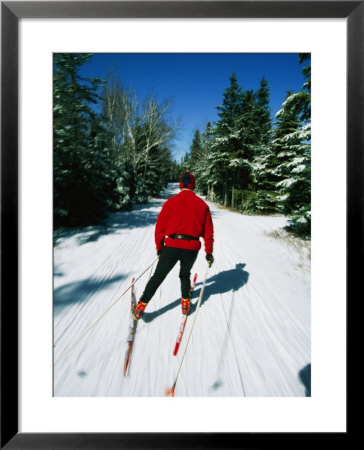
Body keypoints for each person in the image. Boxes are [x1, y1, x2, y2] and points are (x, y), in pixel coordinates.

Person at [133, 170, 214, 320]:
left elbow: (159, 230)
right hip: (192, 248)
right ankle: (185, 304)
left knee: (158, 276)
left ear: (180, 185)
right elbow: (208, 233)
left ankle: (141, 306)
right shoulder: (203, 206)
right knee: (185, 274)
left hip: (172, 246)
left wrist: (159, 248)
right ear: (194, 185)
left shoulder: (170, 203)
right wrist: (209, 253)